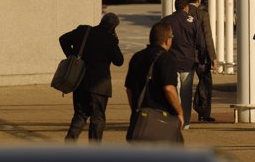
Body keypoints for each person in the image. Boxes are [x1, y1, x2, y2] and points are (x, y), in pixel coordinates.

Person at [59, 12, 124, 142]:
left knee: (80, 115)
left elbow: (63, 39)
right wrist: (115, 41)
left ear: (101, 21)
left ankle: (69, 143)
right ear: (113, 27)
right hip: (99, 86)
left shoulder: (84, 31)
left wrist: (72, 56)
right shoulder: (109, 39)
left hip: (80, 82)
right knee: (97, 118)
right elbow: (119, 61)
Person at [124, 21, 184, 141]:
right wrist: (180, 112)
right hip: (162, 118)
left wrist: (135, 109)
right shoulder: (166, 58)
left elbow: (129, 89)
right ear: (167, 40)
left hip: (140, 119)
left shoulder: (137, 57)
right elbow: (169, 89)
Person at [161, 0, 206, 129]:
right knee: (186, 95)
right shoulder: (194, 22)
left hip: (171, 63)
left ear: (175, 7)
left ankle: (174, 119)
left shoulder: (166, 21)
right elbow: (201, 44)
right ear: (186, 7)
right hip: (188, 63)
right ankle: (185, 122)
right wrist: (202, 61)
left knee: (173, 93)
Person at [187, 0, 218, 122]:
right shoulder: (203, 14)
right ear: (199, 0)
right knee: (205, 82)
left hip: (186, 54)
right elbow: (207, 37)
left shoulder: (184, 13)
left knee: (185, 84)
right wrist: (213, 57)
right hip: (201, 56)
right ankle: (203, 112)